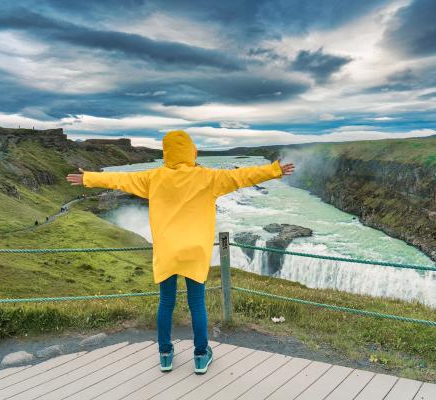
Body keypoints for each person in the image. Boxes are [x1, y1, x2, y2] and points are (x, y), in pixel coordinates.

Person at [66, 130, 294, 374]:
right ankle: (200, 355)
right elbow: (241, 176)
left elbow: (121, 179)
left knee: (166, 302)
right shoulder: (207, 177)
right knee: (197, 303)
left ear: (167, 153)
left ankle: (165, 355)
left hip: (167, 251)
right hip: (195, 251)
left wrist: (89, 178)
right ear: (190, 151)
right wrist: (274, 170)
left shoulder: (153, 178)